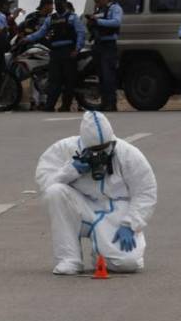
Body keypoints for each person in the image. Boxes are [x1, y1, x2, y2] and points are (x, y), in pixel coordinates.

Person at [36, 111, 156, 275]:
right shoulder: (64, 149)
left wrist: (131, 223)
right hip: (81, 206)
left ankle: (101, 253)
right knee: (55, 192)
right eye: (93, 150)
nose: (99, 155)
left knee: (127, 263)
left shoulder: (128, 154)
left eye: (103, 149)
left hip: (117, 211)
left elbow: (145, 192)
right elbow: (45, 183)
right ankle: (69, 258)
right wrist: (70, 171)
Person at [23, 0, 85, 112]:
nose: (58, 7)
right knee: (54, 81)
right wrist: (27, 38)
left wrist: (77, 49)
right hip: (55, 53)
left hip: (68, 52)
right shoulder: (51, 19)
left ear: (65, 4)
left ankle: (65, 106)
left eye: (60, 4)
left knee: (69, 81)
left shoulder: (72, 18)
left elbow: (81, 33)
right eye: (57, 5)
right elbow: (41, 33)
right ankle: (49, 105)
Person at [86, 0, 123, 111]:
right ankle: (104, 103)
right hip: (98, 45)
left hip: (109, 45)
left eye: (98, 1)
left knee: (108, 76)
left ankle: (111, 104)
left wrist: (98, 21)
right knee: (101, 76)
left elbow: (116, 22)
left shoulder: (115, 8)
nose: (97, 4)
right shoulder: (99, 10)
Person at [17, 0, 55, 109]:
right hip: (33, 50)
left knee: (45, 76)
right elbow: (22, 30)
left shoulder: (53, 18)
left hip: (48, 50)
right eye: (50, 5)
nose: (52, 8)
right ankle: (34, 100)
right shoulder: (32, 17)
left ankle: (43, 101)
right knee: (34, 75)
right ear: (45, 6)